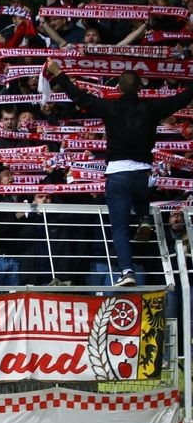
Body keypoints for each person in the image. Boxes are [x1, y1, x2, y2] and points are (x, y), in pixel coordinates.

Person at [45, 59, 193, 286]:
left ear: (118, 88)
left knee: (120, 228)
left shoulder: (109, 107)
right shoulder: (153, 108)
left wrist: (58, 73)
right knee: (141, 199)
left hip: (118, 175)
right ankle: (144, 217)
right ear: (141, 88)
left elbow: (80, 97)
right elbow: (183, 98)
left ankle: (127, 272)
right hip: (144, 176)